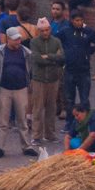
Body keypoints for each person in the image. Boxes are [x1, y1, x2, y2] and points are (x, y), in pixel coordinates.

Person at [0, 25, 35, 158]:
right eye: (15, 39)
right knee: (3, 121)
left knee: (22, 120)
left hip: (21, 89)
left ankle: (26, 147)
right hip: (4, 88)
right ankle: (0, 148)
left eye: (19, 39)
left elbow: (30, 68)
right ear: (8, 39)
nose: (18, 41)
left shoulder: (26, 52)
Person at [26, 17, 66, 149]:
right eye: (42, 30)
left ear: (50, 29)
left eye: (47, 30)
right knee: (37, 108)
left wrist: (47, 56)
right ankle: (36, 136)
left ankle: (49, 134)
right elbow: (37, 59)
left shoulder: (57, 41)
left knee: (51, 108)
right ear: (38, 31)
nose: (45, 33)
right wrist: (53, 57)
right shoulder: (34, 42)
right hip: (39, 79)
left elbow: (62, 57)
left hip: (53, 79)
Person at [57, 3, 95, 116]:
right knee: (69, 99)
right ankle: (70, 123)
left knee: (84, 99)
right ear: (71, 20)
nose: (79, 23)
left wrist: (90, 51)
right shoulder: (65, 31)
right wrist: (61, 55)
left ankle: (86, 122)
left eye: (81, 20)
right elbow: (56, 42)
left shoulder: (88, 32)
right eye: (77, 20)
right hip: (69, 70)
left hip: (84, 71)